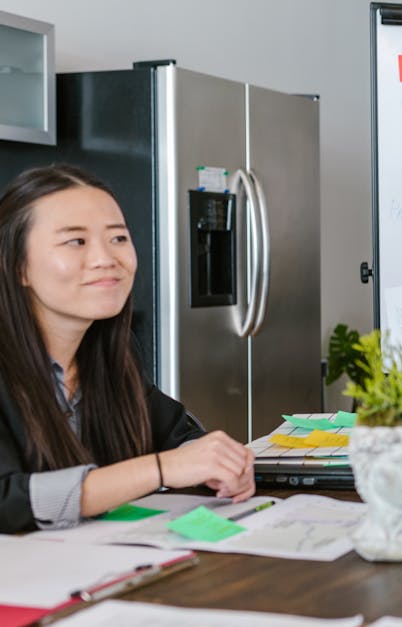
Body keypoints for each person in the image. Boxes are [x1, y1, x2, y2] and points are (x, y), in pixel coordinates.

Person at [0, 164, 256, 533]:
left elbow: (176, 436)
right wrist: (160, 469)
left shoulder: (110, 355)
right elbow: (7, 499)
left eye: (118, 238)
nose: (106, 258)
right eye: (76, 241)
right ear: (16, 266)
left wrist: (218, 464)